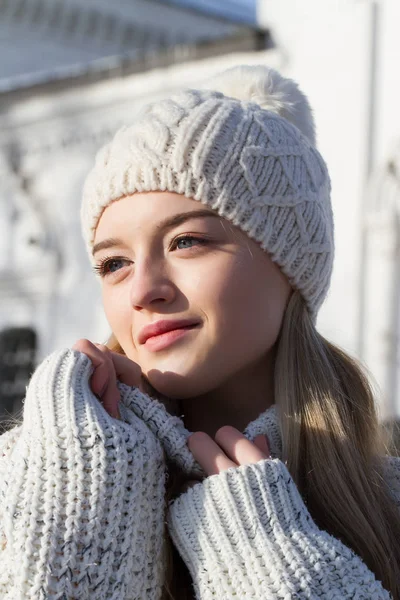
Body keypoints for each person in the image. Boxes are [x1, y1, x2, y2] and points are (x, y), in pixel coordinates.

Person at [0, 65, 399, 600]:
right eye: (113, 263)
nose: (143, 289)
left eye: (186, 241)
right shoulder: (26, 483)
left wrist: (270, 559)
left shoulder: (388, 504)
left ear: (291, 265)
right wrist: (80, 514)